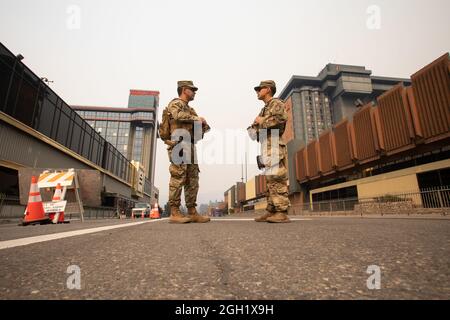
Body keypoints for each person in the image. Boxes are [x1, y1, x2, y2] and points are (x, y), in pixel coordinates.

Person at [160, 81, 211, 224]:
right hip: (178, 144)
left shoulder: (190, 109)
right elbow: (177, 115)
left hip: (190, 145)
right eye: (192, 89)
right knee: (178, 176)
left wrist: (203, 124)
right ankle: (174, 212)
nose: (195, 92)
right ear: (183, 90)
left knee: (192, 179)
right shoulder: (175, 104)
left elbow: (202, 131)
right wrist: (196, 119)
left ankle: (192, 211)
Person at [249, 80, 291, 223]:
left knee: (277, 177)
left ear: (267, 89)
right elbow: (252, 131)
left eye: (259, 89)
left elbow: (280, 119)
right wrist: (256, 126)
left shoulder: (276, 103)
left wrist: (261, 121)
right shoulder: (265, 108)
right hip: (266, 144)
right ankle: (271, 210)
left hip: (273, 143)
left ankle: (281, 212)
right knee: (269, 179)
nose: (257, 92)